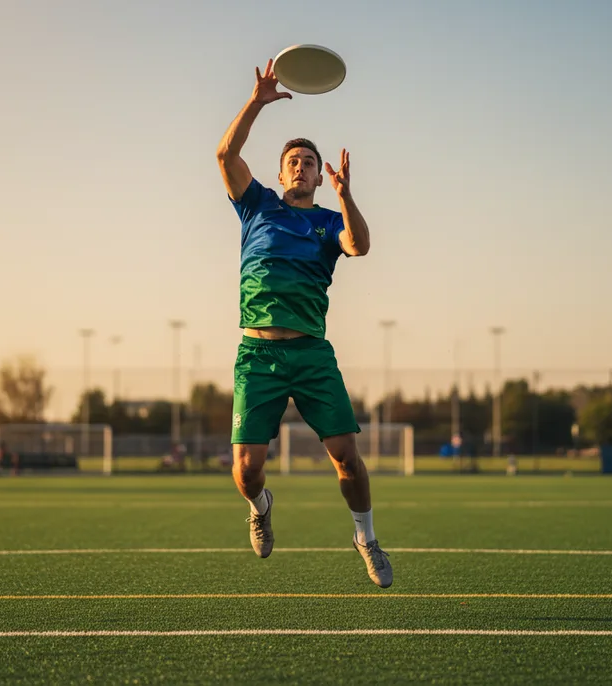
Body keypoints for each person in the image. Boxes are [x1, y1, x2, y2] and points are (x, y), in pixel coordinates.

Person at [215, 59, 391, 588]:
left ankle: (365, 537)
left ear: (318, 175)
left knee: (348, 461)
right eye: (293, 160)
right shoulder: (257, 207)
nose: (300, 167)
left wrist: (346, 195)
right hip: (258, 356)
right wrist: (257, 101)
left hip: (312, 354)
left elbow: (359, 245)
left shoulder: (329, 220)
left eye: (309, 162)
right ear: (281, 170)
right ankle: (261, 505)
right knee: (246, 471)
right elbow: (225, 154)